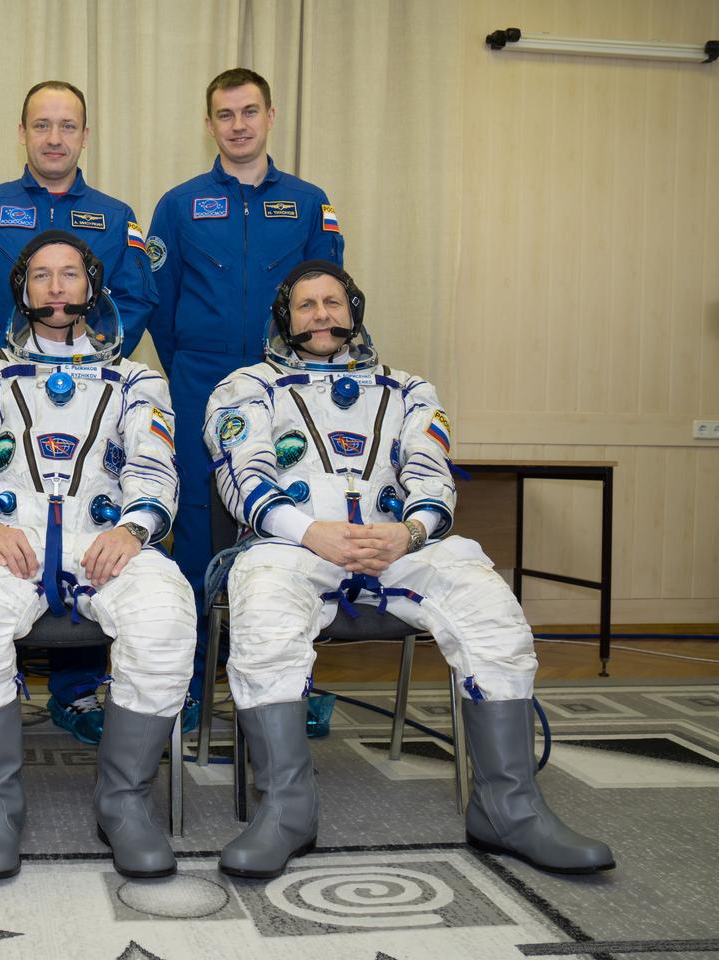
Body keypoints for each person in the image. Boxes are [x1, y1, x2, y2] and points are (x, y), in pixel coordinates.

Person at [203, 259, 615, 878]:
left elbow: (432, 474)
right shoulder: (245, 387)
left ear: (354, 311)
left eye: (333, 303)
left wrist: (410, 531)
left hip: (399, 546)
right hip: (292, 546)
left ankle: (509, 808)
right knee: (262, 615)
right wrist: (314, 533)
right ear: (284, 319)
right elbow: (245, 478)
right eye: (306, 305)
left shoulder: (410, 390)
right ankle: (288, 810)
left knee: (489, 605)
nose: (322, 315)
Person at [0, 231, 193, 881]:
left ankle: (124, 799)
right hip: (6, 540)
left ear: (91, 287)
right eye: (41, 276)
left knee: (166, 616)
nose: (55, 287)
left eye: (69, 274)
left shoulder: (137, 379)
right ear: (22, 290)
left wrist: (134, 530)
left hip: (105, 538)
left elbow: (155, 469)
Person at [0, 80, 158, 744]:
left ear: (85, 137)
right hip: (8, 405)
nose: (54, 137)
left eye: (67, 126)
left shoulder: (117, 216)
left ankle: (77, 690)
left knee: (93, 513)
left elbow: (137, 298)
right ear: (24, 132)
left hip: (95, 395)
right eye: (42, 125)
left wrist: (89, 363)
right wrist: (16, 376)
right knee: (10, 533)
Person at [146, 68, 343, 717]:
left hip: (290, 385)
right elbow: (160, 306)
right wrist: (192, 372)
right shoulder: (177, 206)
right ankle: (197, 682)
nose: (238, 124)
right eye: (225, 114)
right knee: (200, 532)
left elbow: (327, 302)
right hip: (200, 381)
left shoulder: (311, 202)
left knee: (294, 526)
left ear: (269, 116)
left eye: (248, 111)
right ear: (210, 124)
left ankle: (292, 686)